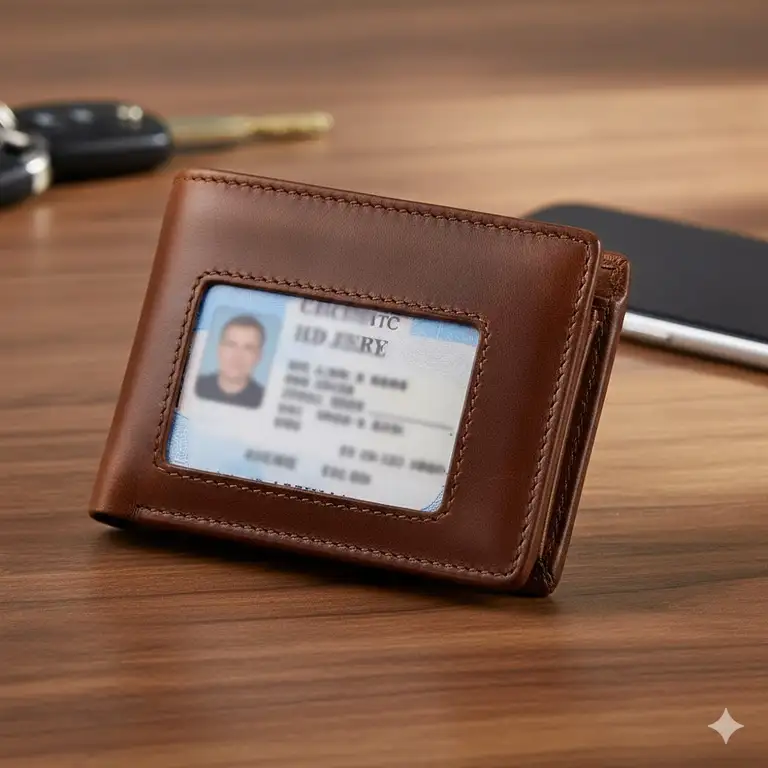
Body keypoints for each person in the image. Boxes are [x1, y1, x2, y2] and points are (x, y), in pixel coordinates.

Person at [195, 314, 266, 408]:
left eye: (248, 348)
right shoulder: (195, 386)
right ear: (219, 349)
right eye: (231, 345)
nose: (237, 356)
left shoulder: (266, 401)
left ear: (259, 355)